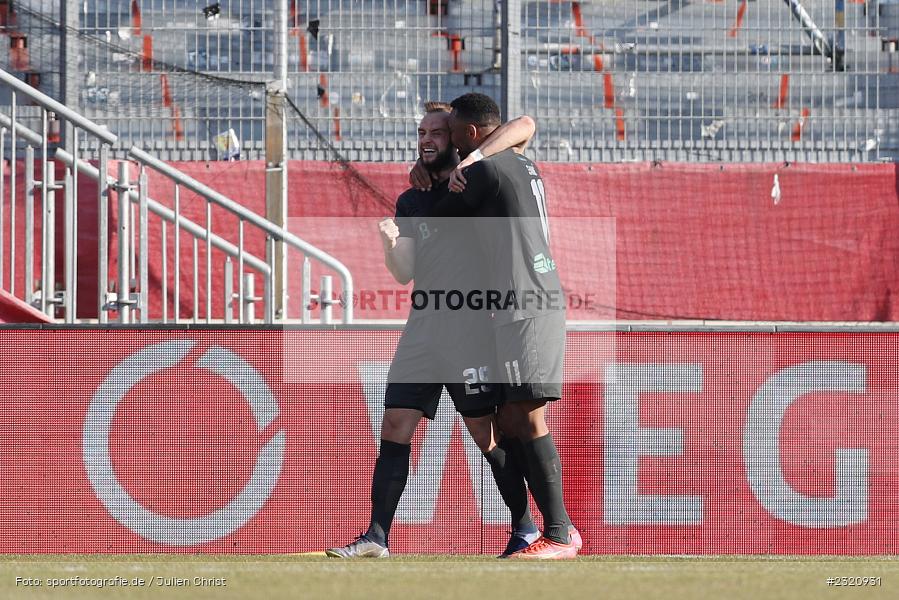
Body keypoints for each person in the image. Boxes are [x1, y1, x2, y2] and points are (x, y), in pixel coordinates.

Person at [325, 102, 541, 558]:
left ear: (459, 137)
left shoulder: (479, 180)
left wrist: (470, 160)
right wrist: (389, 244)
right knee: (394, 423)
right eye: (421, 132)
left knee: (486, 433)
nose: (426, 139)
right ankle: (376, 538)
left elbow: (523, 127)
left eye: (436, 133)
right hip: (423, 327)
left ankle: (525, 526)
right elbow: (404, 272)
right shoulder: (411, 198)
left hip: (470, 326)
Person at [429, 93, 578, 559]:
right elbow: (524, 123)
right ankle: (551, 532)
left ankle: (560, 534)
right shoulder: (516, 161)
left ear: (470, 134)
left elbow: (439, 219)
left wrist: (430, 177)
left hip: (528, 301)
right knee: (513, 416)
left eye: (450, 133)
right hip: (520, 302)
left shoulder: (482, 170)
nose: (447, 141)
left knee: (529, 417)